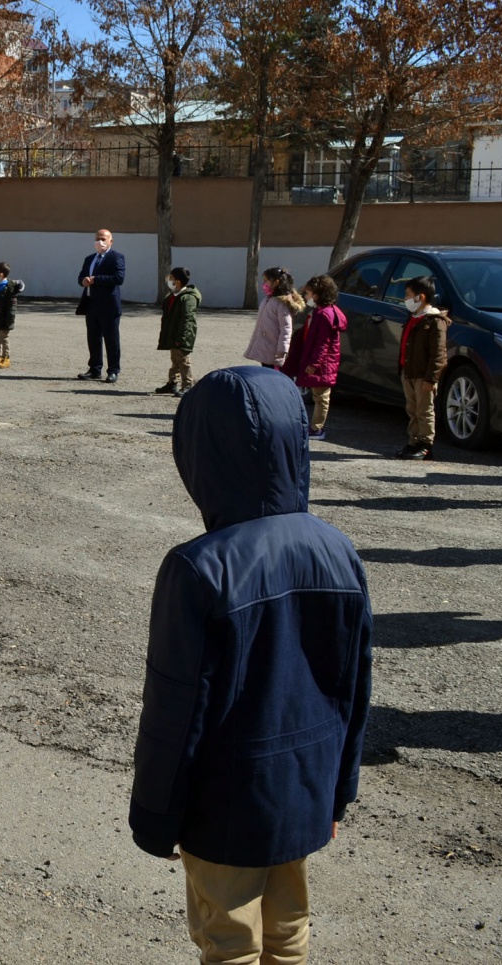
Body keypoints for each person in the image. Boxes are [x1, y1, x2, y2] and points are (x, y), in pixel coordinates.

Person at [130, 365, 373, 965]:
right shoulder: (338, 549)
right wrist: (339, 792)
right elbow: (355, 688)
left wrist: (155, 818)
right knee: (288, 931)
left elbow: (175, 710)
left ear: (201, 453)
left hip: (226, 805)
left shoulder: (198, 568)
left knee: (230, 941)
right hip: (305, 789)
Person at [395, 276, 448, 461]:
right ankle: (413, 441)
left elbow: (438, 353)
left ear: (421, 297)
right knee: (412, 409)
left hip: (423, 375)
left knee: (424, 410)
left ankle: (426, 444)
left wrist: (431, 378)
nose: (405, 299)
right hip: (409, 371)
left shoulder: (435, 321)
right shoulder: (413, 317)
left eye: (408, 295)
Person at [294, 275, 346, 440]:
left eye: (308, 293)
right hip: (323, 362)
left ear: (316, 295)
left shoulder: (324, 315)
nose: (305, 296)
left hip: (322, 364)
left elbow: (323, 343)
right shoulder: (322, 312)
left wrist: (314, 363)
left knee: (321, 396)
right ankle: (315, 427)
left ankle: (317, 428)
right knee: (318, 395)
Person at [75, 229, 125, 383]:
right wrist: (83, 281)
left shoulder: (116, 257)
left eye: (103, 239)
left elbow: (118, 278)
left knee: (111, 339)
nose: (100, 241)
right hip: (91, 303)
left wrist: (96, 279)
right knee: (93, 338)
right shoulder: (90, 258)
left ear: (111, 241)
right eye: (97, 238)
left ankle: (113, 370)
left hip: (109, 305)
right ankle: (95, 369)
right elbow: (81, 276)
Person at [156, 267, 201, 396]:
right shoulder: (174, 295)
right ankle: (172, 383)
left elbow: (187, 319)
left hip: (181, 335)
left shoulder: (188, 298)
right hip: (173, 333)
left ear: (178, 281)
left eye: (171, 278)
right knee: (175, 360)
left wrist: (182, 337)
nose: (169, 281)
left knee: (184, 360)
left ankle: (188, 385)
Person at [245, 267, 302, 369]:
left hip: (275, 351)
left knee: (273, 373)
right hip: (265, 347)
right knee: (266, 370)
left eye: (266, 281)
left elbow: (286, 328)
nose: (264, 284)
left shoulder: (281, 303)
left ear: (276, 282)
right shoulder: (268, 299)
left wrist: (282, 351)